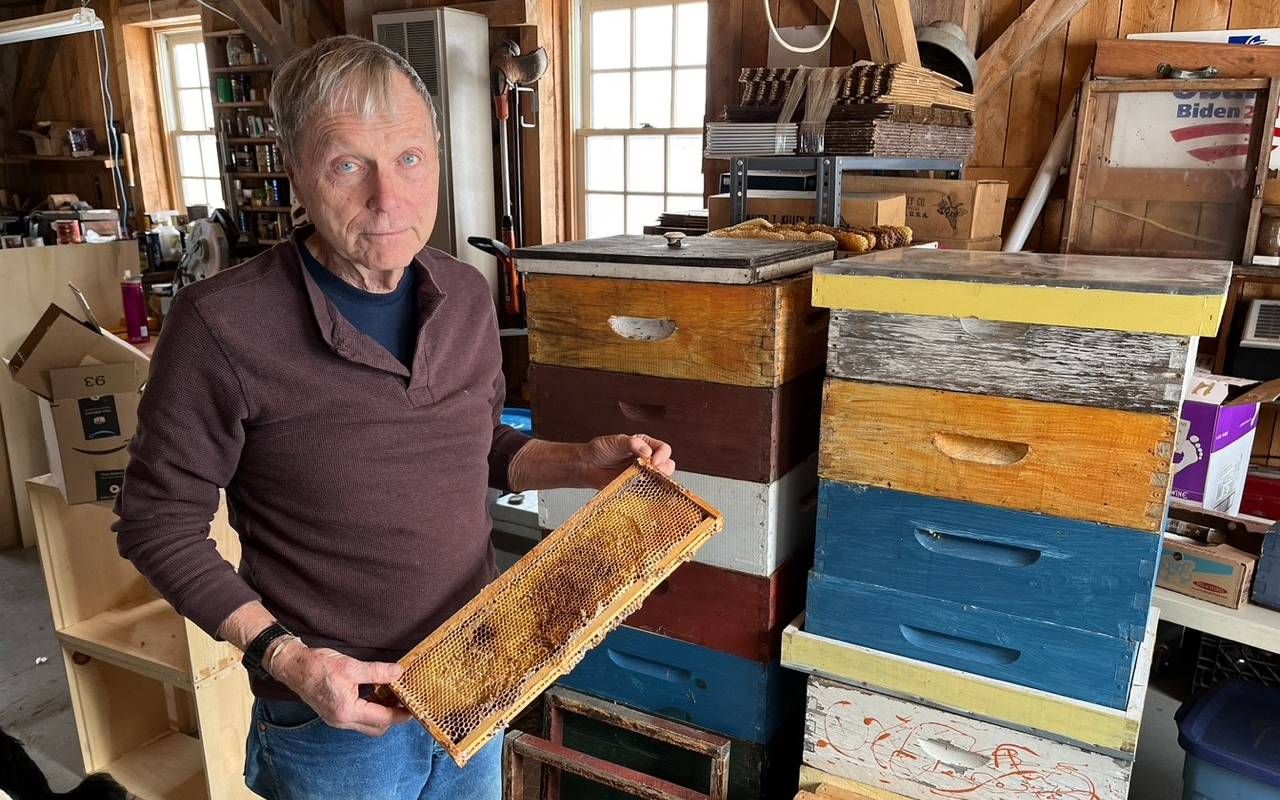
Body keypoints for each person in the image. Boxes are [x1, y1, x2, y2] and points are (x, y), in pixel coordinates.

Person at [112, 35, 675, 800]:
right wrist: (286, 657)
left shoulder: (464, 295)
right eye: (348, 165)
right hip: (335, 720)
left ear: (437, 160)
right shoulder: (221, 326)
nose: (389, 197)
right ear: (296, 172)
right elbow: (155, 522)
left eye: (410, 158)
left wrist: (584, 461)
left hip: (473, 675)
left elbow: (476, 448)